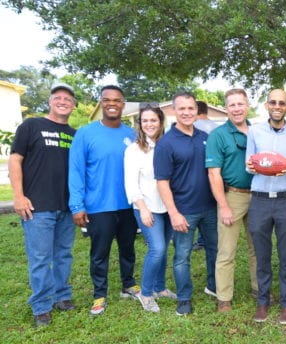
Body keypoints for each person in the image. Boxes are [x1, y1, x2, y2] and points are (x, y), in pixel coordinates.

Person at [9, 83, 78, 327]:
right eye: (58, 97)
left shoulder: (73, 134)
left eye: (68, 99)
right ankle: (41, 306)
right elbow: (15, 160)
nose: (63, 101)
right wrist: (19, 196)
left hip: (66, 207)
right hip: (37, 207)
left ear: (74, 105)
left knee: (63, 255)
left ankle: (63, 296)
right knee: (40, 258)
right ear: (50, 101)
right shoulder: (31, 126)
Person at [68, 85, 139, 316]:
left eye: (117, 100)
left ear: (123, 104)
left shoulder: (131, 134)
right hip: (99, 206)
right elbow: (76, 171)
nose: (112, 104)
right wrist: (77, 205)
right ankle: (99, 294)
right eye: (107, 99)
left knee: (128, 248)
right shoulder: (85, 133)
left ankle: (128, 284)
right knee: (100, 253)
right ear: (101, 103)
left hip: (128, 204)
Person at [245, 88, 286, 324]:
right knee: (262, 254)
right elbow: (248, 164)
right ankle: (263, 302)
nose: (277, 106)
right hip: (260, 199)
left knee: (285, 254)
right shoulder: (255, 132)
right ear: (267, 106)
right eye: (273, 102)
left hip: (285, 199)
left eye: (282, 103)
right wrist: (261, 165)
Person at [154, 92, 218, 316]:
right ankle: (184, 297)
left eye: (191, 108)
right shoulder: (166, 144)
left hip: (210, 207)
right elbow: (162, 181)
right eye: (182, 109)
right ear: (174, 111)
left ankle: (214, 286)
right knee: (182, 256)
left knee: (214, 249)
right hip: (184, 211)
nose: (187, 112)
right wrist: (173, 213)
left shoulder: (204, 136)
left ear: (196, 110)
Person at [206, 88, 258, 312]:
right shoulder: (218, 135)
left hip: (258, 195)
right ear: (226, 108)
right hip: (233, 196)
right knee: (227, 250)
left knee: (258, 247)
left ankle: (259, 289)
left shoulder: (257, 132)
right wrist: (224, 205)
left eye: (240, 104)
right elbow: (213, 173)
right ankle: (224, 298)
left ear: (247, 106)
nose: (237, 109)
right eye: (232, 105)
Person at [124, 104, 176, 313]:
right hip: (146, 206)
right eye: (145, 120)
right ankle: (145, 294)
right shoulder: (134, 150)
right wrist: (143, 209)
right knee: (157, 249)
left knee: (164, 248)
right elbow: (131, 183)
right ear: (140, 124)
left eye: (153, 120)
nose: (149, 124)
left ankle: (160, 287)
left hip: (168, 206)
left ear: (160, 122)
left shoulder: (167, 145)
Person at [193, 100, 219, 251]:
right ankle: (205, 239)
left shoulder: (193, 126)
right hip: (214, 173)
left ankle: (199, 239)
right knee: (210, 208)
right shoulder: (216, 128)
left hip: (196, 173)